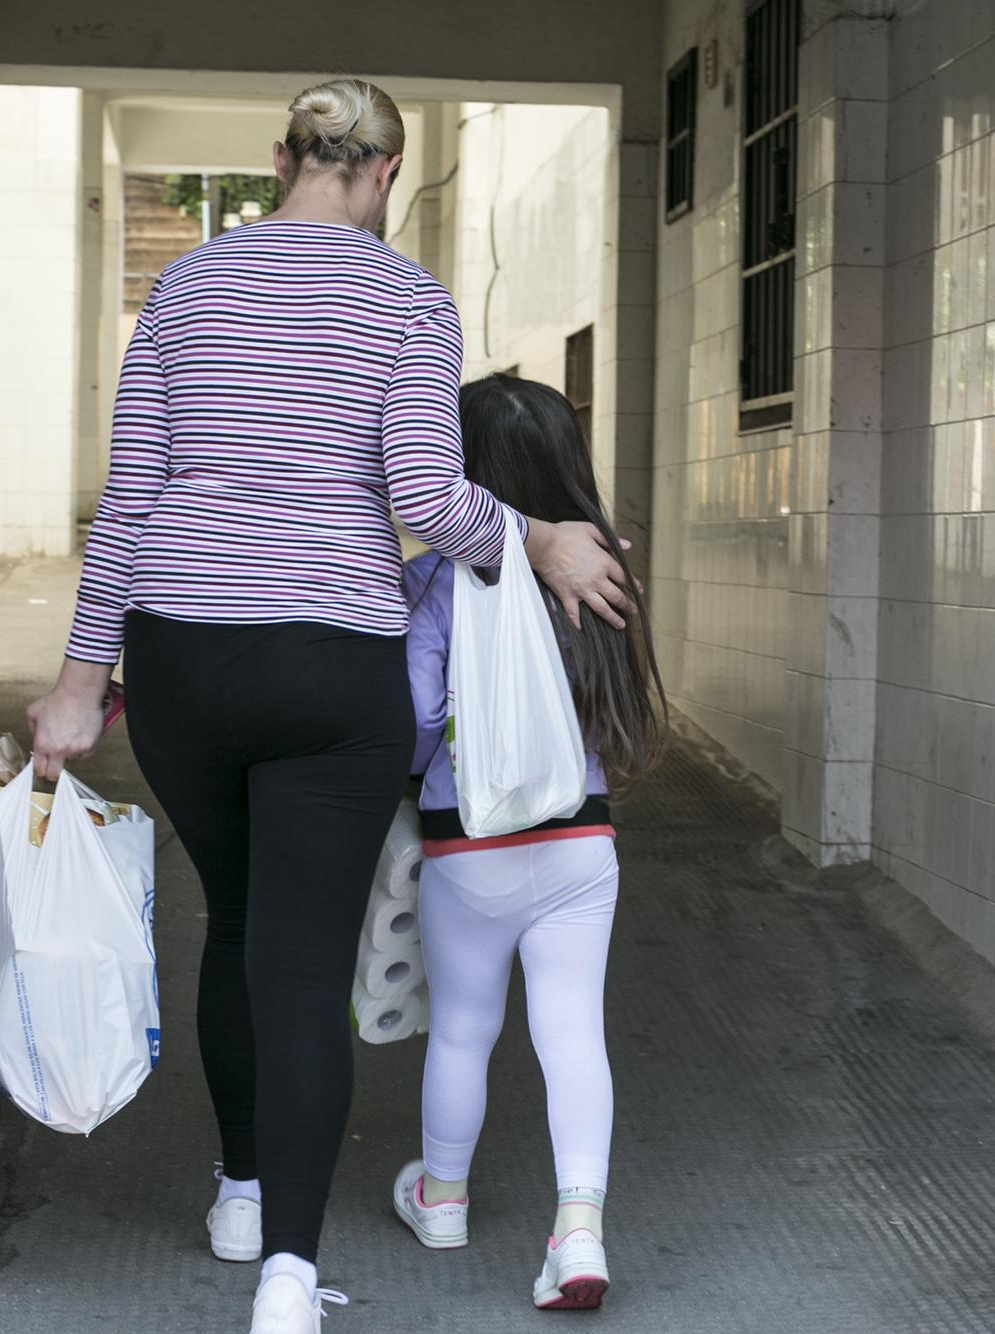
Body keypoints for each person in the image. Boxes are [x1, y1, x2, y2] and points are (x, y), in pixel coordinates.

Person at [25, 83, 634, 1334]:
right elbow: (428, 490)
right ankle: (287, 1278)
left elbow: (128, 501)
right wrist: (542, 541)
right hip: (328, 658)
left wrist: (84, 681)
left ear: (277, 161)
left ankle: (240, 1190)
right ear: (389, 170)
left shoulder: (188, 287)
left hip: (183, 655)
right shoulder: (404, 295)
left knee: (236, 921)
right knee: (303, 965)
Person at [390, 375, 665, 1312]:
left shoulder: (433, 579)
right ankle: (578, 1231)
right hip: (581, 840)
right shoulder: (604, 569)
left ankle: (443, 1198)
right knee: (573, 1032)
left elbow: (421, 720)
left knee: (465, 1028)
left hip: (467, 846)